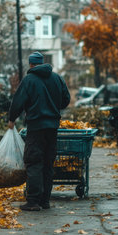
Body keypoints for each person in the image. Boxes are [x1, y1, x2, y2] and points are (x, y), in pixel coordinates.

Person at [8, 51, 70, 211]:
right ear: (42, 63)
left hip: (36, 127)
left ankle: (33, 201)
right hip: (52, 127)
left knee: (34, 161)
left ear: (31, 64)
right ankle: (45, 200)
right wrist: (54, 106)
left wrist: (12, 118)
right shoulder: (57, 78)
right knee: (48, 162)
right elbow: (66, 100)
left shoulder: (29, 80)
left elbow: (18, 101)